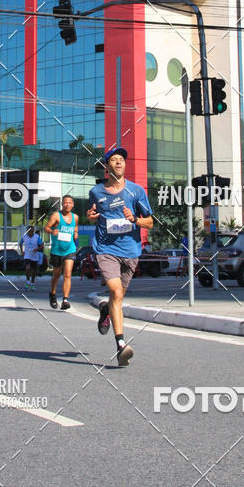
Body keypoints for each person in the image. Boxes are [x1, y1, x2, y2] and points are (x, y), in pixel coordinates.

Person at [88, 147, 153, 366]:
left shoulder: (136, 191)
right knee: (115, 291)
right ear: (107, 167)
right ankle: (121, 345)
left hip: (131, 251)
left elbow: (150, 222)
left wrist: (135, 219)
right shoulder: (96, 192)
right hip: (106, 249)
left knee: (117, 298)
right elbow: (93, 215)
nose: (118, 163)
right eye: (114, 160)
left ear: (125, 165)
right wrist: (91, 216)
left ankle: (105, 309)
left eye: (121, 160)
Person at [45, 196, 78, 310]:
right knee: (57, 274)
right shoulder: (56, 216)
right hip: (57, 250)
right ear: (62, 204)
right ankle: (52, 294)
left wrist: (76, 234)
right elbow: (46, 228)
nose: (67, 204)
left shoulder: (75, 217)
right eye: (65, 203)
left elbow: (75, 229)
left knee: (67, 274)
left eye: (69, 203)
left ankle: (65, 300)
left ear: (73, 204)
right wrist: (52, 231)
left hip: (70, 249)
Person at [19, 226, 41, 291]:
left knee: (34, 271)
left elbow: (42, 244)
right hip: (27, 255)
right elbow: (20, 243)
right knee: (27, 268)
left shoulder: (37, 237)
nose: (31, 232)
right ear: (27, 231)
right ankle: (28, 282)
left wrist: (37, 249)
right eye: (30, 231)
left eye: (32, 231)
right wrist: (22, 251)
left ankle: (33, 284)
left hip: (34, 256)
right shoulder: (24, 237)